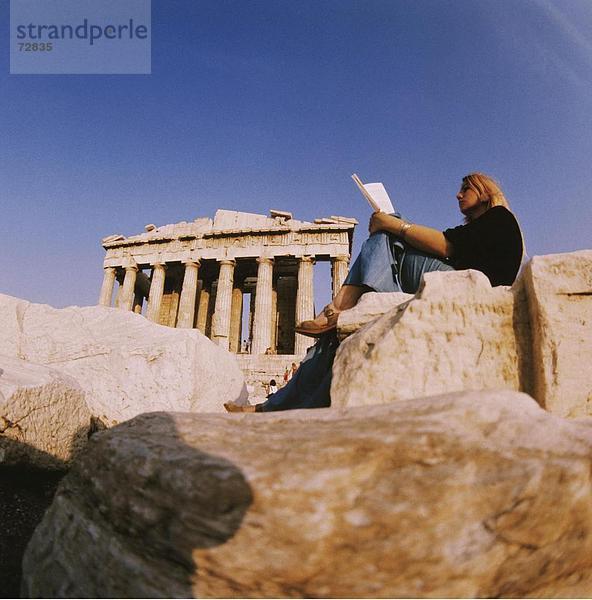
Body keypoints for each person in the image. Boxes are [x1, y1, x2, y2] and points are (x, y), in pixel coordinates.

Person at [224, 172, 524, 413]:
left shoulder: (498, 218)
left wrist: (393, 225)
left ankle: (338, 306)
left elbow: (446, 245)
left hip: (465, 288)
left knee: (384, 232)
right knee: (333, 341)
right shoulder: (485, 225)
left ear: (483, 192)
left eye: (465, 189)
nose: (458, 195)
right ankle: (269, 407)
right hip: (452, 283)